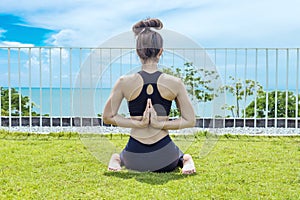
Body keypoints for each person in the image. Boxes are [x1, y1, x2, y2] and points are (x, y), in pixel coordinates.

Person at [103, 18, 196, 174]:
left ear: (138, 52)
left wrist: (137, 124)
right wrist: (160, 125)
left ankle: (118, 158)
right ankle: (184, 159)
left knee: (123, 157)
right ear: (161, 51)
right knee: (178, 157)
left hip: (134, 157)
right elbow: (190, 120)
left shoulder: (124, 82)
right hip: (167, 157)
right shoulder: (175, 83)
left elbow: (107, 117)